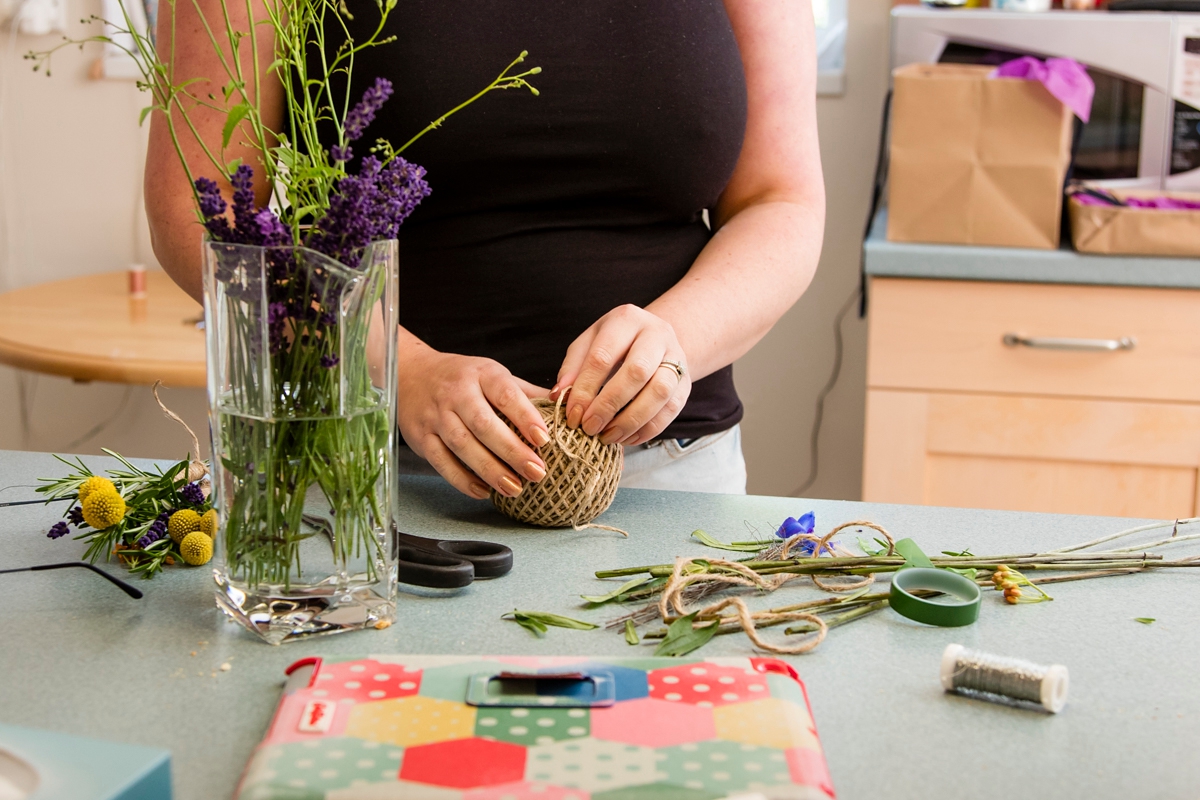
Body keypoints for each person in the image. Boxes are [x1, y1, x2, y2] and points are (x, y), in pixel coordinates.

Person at [145, 1, 825, 500]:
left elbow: (780, 200)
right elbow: (200, 215)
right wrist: (399, 371)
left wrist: (679, 339)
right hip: (373, 484)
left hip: (671, 484)